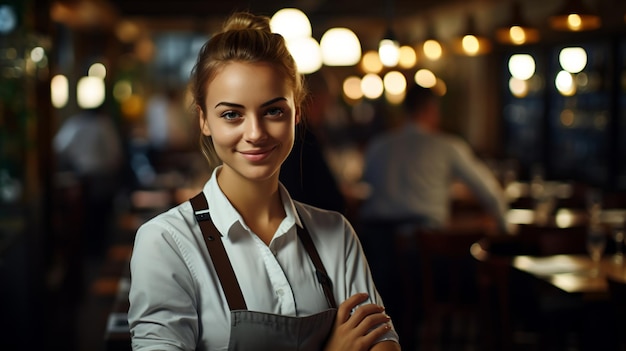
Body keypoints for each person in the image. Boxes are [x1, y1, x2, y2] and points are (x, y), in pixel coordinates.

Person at [127, 11, 401, 351]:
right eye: (232, 114)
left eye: (273, 111)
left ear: (296, 114)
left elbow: (382, 344)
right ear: (204, 120)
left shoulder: (337, 234)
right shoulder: (166, 242)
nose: (255, 133)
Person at [359, 84, 509, 233]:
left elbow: (365, 182)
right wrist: (506, 230)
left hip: (376, 240)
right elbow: (489, 192)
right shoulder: (447, 146)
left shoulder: (378, 145)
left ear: (405, 110)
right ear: (432, 109)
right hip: (426, 243)